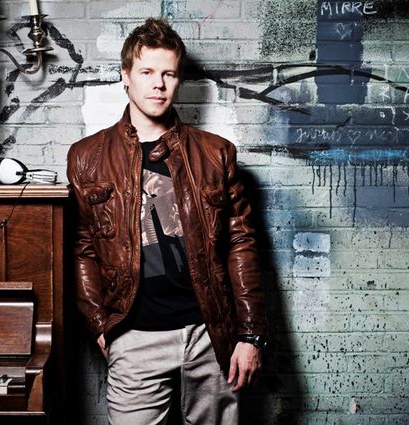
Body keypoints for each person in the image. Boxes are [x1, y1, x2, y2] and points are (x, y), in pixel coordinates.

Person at [67, 17, 267, 425]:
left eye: (168, 74)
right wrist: (100, 326)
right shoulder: (87, 156)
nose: (158, 84)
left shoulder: (215, 153)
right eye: (146, 72)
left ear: (178, 80)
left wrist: (249, 334)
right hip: (134, 335)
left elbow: (241, 244)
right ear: (126, 75)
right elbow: (83, 247)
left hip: (210, 333)